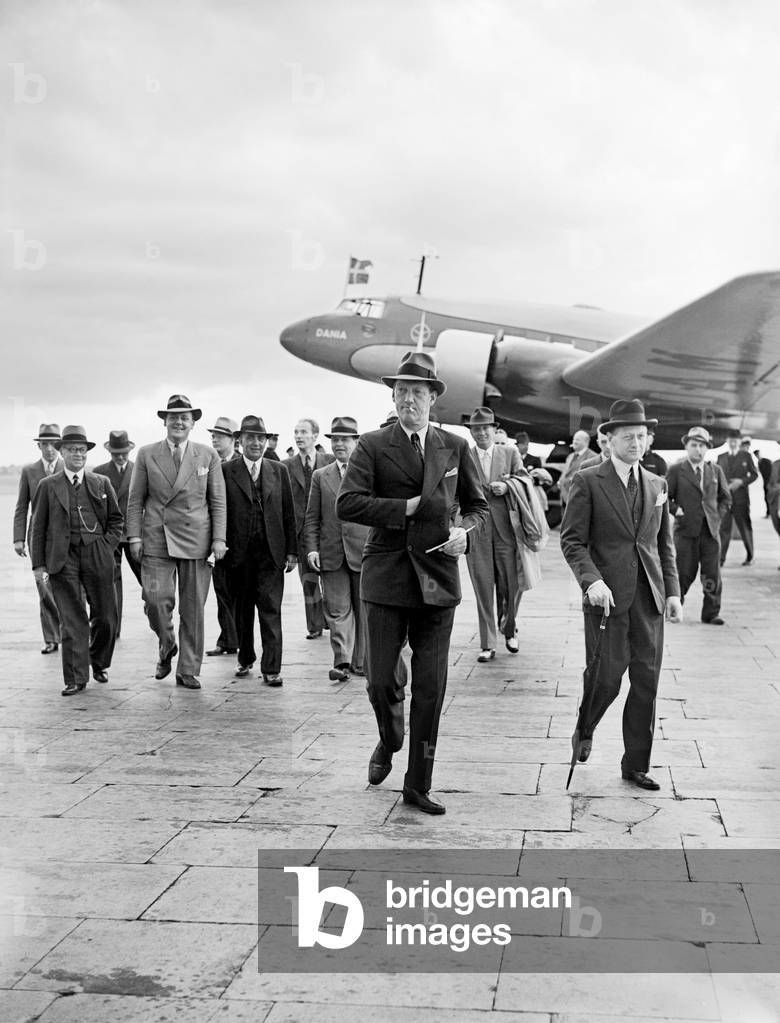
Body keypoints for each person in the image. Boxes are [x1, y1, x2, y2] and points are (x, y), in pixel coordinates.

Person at [337, 351, 488, 814]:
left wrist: (466, 533)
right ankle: (389, 736)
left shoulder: (455, 446)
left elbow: (478, 507)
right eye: (401, 392)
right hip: (386, 577)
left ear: (432, 398)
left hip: (438, 579)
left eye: (417, 393)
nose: (408, 400)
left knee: (431, 688)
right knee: (380, 680)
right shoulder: (372, 445)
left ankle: (418, 783)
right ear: (393, 397)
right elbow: (348, 503)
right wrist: (403, 509)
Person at [560, 398, 682, 791]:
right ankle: (586, 727)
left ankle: (636, 765)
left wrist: (673, 592)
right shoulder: (587, 481)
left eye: (641, 436)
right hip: (606, 600)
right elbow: (572, 541)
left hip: (649, 601)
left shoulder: (658, 485)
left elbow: (663, 545)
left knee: (646, 682)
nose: (636, 443)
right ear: (609, 439)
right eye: (628, 436)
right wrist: (591, 581)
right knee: (606, 679)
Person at [126, 394, 226, 690]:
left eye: (185, 418)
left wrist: (219, 539)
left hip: (197, 539)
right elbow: (135, 499)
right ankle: (167, 642)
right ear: (165, 422)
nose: (179, 422)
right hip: (157, 538)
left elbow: (218, 501)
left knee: (193, 609)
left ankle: (188, 669)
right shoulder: (147, 454)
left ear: (193, 423)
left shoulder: (207, 455)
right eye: (173, 417)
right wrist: (134, 536)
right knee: (155, 600)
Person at [30, 426, 122, 696]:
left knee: (106, 617)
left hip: (97, 554)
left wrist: (105, 546)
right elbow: (38, 527)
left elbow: (116, 520)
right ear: (62, 452)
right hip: (63, 558)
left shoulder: (101, 483)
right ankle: (75, 678)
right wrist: (39, 565)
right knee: (72, 620)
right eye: (72, 450)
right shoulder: (48, 486)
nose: (78, 454)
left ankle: (99, 661)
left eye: (82, 450)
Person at [222, 416, 297, 686]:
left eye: (261, 438)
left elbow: (288, 512)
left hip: (271, 553)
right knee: (242, 610)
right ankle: (245, 657)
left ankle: (272, 668)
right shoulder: (226, 471)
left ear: (266, 441)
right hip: (238, 555)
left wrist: (292, 551)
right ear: (240, 441)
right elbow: (219, 510)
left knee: (270, 608)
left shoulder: (279, 470)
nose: (256, 443)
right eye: (250, 438)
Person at [304, 417, 370, 682]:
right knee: (336, 610)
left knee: (363, 609)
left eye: (345, 439)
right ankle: (342, 661)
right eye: (335, 440)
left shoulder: (369, 474)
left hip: (364, 552)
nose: (339, 444)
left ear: (356, 442)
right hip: (331, 553)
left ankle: (361, 662)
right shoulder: (321, 476)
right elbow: (312, 517)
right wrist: (312, 549)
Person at [465, 407, 525, 662]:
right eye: (476, 429)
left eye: (485, 428)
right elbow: (454, 491)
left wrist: (507, 486)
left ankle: (510, 629)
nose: (481, 433)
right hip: (476, 530)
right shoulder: (464, 455)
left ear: (494, 429)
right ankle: (487, 643)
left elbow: (525, 480)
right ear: (471, 432)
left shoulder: (510, 453)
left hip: (506, 531)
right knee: (482, 586)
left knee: (511, 584)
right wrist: (460, 525)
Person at [666, 426, 731, 624]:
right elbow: (665, 497)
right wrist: (676, 510)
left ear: (707, 448)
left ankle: (711, 613)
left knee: (712, 574)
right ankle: (675, 608)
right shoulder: (677, 470)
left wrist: (716, 517)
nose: (698, 450)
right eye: (694, 445)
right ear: (686, 446)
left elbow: (726, 498)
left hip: (710, 532)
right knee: (683, 572)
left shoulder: (715, 470)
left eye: (702, 446)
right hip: (686, 531)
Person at [13, 423, 63, 654]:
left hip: (65, 537)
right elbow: (22, 506)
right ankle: (52, 638)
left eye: (53, 444)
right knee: (43, 586)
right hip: (38, 538)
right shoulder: (29, 471)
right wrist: (18, 538)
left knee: (69, 585)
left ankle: (72, 632)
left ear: (59, 445)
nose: (49, 449)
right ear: (39, 446)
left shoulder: (68, 467)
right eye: (45, 444)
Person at [282, 418, 334, 639]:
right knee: (309, 581)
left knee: (332, 579)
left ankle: (332, 619)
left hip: (328, 530)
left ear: (315, 435)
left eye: (303, 432)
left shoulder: (330, 461)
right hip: (302, 533)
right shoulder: (286, 466)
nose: (299, 436)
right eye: (296, 432)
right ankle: (314, 625)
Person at [93, 430, 143, 638]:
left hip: (134, 534)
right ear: (110, 452)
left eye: (124, 453)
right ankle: (114, 629)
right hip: (110, 535)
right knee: (112, 582)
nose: (120, 457)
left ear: (129, 451)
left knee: (148, 579)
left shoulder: (139, 469)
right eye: (116, 454)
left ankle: (156, 616)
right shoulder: (98, 472)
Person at [205, 416, 240, 658]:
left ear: (233, 439)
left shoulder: (241, 463)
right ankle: (227, 639)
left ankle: (237, 638)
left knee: (239, 592)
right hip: (216, 536)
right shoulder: (209, 462)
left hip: (238, 536)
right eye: (213, 435)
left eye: (220, 435)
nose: (214, 439)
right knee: (221, 589)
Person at [717, 431, 758, 565]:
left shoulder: (746, 456)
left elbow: (754, 474)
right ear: (727, 441)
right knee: (724, 529)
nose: (733, 443)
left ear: (739, 442)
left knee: (745, 528)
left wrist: (741, 482)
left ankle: (750, 557)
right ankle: (721, 559)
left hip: (741, 499)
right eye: (731, 440)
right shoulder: (721, 457)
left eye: (735, 441)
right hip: (725, 499)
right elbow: (717, 477)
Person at [558, 430, 594, 506]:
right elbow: (565, 474)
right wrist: (560, 481)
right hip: (564, 498)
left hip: (580, 500)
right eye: (574, 439)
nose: (574, 442)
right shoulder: (570, 456)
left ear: (586, 441)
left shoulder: (593, 457)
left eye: (577, 440)